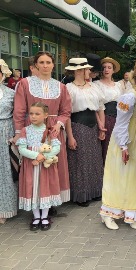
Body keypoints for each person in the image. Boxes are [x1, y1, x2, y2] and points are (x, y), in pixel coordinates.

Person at [14, 51, 72, 204]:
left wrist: (59, 124)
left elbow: (65, 111)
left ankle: (51, 201)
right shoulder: (25, 83)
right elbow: (19, 110)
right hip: (32, 130)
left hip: (53, 130)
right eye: (41, 62)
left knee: (52, 165)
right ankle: (35, 201)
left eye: (48, 62)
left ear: (53, 65)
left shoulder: (61, 86)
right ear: (35, 65)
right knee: (35, 165)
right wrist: (19, 132)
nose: (45, 65)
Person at [100, 58, 136, 231]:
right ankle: (109, 213)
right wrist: (123, 146)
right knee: (119, 176)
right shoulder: (129, 97)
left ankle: (132, 212)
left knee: (135, 177)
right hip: (126, 140)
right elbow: (120, 124)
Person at [65, 58, 105, 207]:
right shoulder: (68, 88)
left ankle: (95, 191)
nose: (90, 72)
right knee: (80, 161)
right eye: (87, 69)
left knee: (94, 159)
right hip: (77, 125)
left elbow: (100, 107)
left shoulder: (93, 87)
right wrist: (70, 136)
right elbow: (66, 113)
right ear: (79, 71)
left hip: (93, 126)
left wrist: (101, 127)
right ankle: (81, 194)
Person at [16, 102, 62, 231]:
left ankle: (45, 216)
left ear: (45, 115)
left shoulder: (49, 130)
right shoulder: (26, 130)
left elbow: (57, 147)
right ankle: (36, 216)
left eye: (37, 113)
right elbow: (22, 149)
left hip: (46, 168)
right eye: (31, 114)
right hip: (31, 166)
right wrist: (36, 155)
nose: (33, 116)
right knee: (33, 189)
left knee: (45, 189)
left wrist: (46, 157)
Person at [94, 57, 124, 162]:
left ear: (113, 70)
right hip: (105, 118)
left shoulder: (119, 85)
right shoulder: (96, 84)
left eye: (109, 67)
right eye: (104, 67)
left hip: (119, 118)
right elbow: (97, 106)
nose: (106, 70)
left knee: (118, 146)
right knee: (106, 147)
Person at [0, 59, 17, 224]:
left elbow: (18, 115)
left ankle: (5, 209)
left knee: (6, 170)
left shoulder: (11, 94)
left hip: (5, 132)